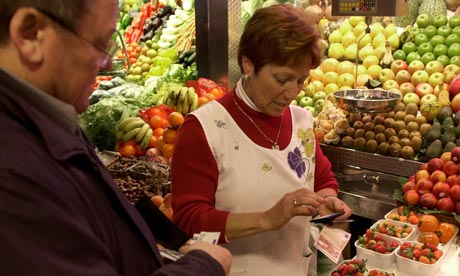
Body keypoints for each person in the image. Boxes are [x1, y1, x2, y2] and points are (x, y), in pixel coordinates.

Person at [0, 1, 231, 275]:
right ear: (30, 33)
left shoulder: (44, 119)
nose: (107, 63)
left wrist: (163, 237)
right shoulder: (13, 172)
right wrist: (204, 265)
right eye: (100, 45)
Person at [171, 4, 352, 275]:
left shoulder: (301, 121)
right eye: (282, 79)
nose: (292, 92)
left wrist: (326, 202)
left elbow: (322, 179)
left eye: (301, 81)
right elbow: (189, 221)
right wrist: (267, 219)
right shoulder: (204, 129)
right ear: (249, 63)